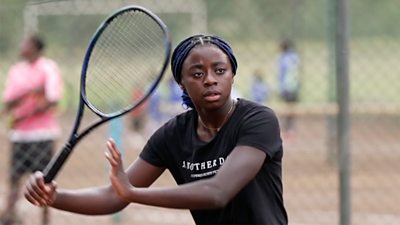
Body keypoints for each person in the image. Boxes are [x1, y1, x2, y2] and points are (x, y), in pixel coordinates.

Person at [24, 34, 288, 225]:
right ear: (181, 85)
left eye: (220, 70)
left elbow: (218, 192)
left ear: (232, 75)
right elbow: (112, 196)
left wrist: (132, 193)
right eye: (197, 74)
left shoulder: (257, 120)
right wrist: (54, 196)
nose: (210, 79)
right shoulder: (173, 135)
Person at [1, 34, 63, 225]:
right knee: (14, 177)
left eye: (25, 43)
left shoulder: (48, 68)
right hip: (20, 135)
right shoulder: (16, 70)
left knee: (43, 181)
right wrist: (29, 93)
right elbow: (9, 101)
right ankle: (9, 217)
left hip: (41, 135)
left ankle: (45, 220)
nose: (22, 46)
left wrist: (24, 115)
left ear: (36, 47)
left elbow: (52, 99)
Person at [277, 39, 300, 138]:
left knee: (287, 107)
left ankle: (286, 129)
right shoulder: (295, 56)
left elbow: (281, 74)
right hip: (295, 85)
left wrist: (280, 86)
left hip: (286, 86)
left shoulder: (282, 58)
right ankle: (290, 128)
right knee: (292, 107)